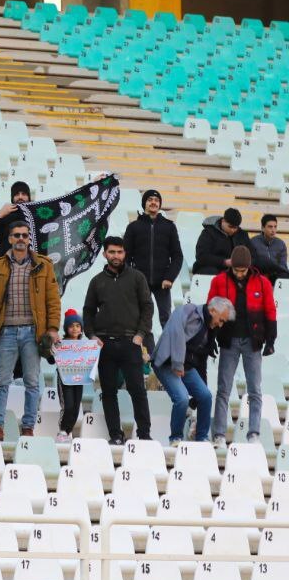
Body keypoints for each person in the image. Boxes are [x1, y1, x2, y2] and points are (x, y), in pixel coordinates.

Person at [0, 220, 61, 439]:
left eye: (24, 235)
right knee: (1, 381)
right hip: (5, 330)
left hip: (32, 332)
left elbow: (53, 300)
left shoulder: (44, 265)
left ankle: (28, 427)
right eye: (16, 235)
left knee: (32, 382)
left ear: (29, 239)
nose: (20, 239)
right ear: (9, 239)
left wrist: (53, 329)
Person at [81, 236, 154, 445]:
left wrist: (140, 335)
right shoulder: (97, 281)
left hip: (131, 342)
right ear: (105, 254)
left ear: (124, 253)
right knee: (109, 392)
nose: (116, 256)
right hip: (105, 344)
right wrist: (92, 336)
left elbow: (148, 307)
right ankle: (115, 434)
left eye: (119, 252)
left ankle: (144, 433)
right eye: (111, 252)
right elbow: (87, 311)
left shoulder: (137, 278)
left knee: (137, 390)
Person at [207, 246, 276, 446]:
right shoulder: (219, 280)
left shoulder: (262, 283)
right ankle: (219, 434)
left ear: (249, 267)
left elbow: (270, 311)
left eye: (242, 270)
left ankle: (254, 433)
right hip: (228, 341)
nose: (239, 273)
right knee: (223, 389)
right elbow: (210, 309)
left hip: (253, 342)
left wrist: (270, 340)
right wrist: (211, 338)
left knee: (255, 390)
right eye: (236, 270)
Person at [153, 298, 233, 445]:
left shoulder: (211, 330)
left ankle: (201, 438)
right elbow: (176, 335)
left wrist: (201, 388)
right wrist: (178, 364)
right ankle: (175, 438)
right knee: (182, 398)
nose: (220, 325)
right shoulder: (188, 311)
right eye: (220, 320)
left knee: (206, 396)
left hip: (186, 367)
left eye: (223, 322)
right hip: (167, 363)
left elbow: (201, 362)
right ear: (213, 310)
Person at [122, 188, 183, 326]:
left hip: (163, 282)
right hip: (140, 281)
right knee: (139, 319)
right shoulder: (133, 227)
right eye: (150, 200)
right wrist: (129, 277)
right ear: (144, 203)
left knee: (166, 319)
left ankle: (167, 347)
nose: (153, 202)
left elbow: (177, 256)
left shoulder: (169, 227)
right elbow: (125, 256)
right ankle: (140, 347)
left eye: (156, 200)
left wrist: (169, 277)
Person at [54, 310, 85, 444]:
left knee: (76, 407)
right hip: (64, 379)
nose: (75, 329)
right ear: (66, 328)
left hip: (79, 378)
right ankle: (62, 431)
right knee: (68, 405)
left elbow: (90, 358)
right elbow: (51, 358)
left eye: (78, 326)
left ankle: (69, 431)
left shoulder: (85, 346)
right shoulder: (60, 343)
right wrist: (53, 345)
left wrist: (97, 347)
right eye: (71, 326)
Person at [193, 207, 252, 275]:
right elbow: (202, 256)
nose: (233, 230)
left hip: (236, 269)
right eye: (230, 226)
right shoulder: (208, 233)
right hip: (210, 268)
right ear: (223, 221)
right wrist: (224, 262)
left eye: (235, 228)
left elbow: (252, 255)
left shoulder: (242, 235)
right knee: (212, 272)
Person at [250, 214, 288, 281]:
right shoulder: (253, 242)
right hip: (259, 275)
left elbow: (282, 265)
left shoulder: (281, 244)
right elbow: (252, 264)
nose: (273, 230)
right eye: (270, 227)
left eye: (275, 227)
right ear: (263, 228)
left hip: (276, 276)